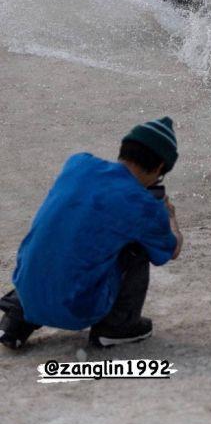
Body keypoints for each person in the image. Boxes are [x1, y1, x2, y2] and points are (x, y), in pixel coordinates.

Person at [0, 117, 183, 350]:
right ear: (158, 168)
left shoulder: (77, 164)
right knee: (136, 247)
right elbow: (171, 250)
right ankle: (117, 328)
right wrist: (169, 216)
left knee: (65, 235)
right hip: (77, 310)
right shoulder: (144, 205)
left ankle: (15, 321)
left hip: (29, 296)